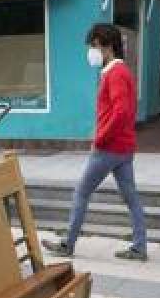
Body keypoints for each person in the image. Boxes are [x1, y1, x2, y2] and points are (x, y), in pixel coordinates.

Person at [43, 23, 148, 261]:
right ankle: (140, 246)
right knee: (131, 197)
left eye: (94, 46)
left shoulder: (115, 73)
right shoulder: (121, 72)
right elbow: (121, 111)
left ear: (107, 46)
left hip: (109, 148)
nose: (91, 52)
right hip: (124, 147)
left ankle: (67, 244)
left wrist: (99, 138)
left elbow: (121, 112)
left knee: (81, 193)